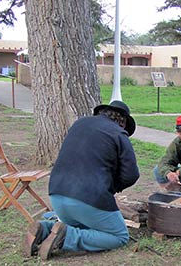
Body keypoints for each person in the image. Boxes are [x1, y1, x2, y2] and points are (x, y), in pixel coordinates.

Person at [23, 100, 140, 260]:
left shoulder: (79, 124)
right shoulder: (119, 133)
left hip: (57, 195)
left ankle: (45, 228)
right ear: (123, 121)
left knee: (82, 223)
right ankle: (67, 237)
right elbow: (131, 175)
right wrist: (110, 188)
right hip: (89, 199)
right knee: (119, 236)